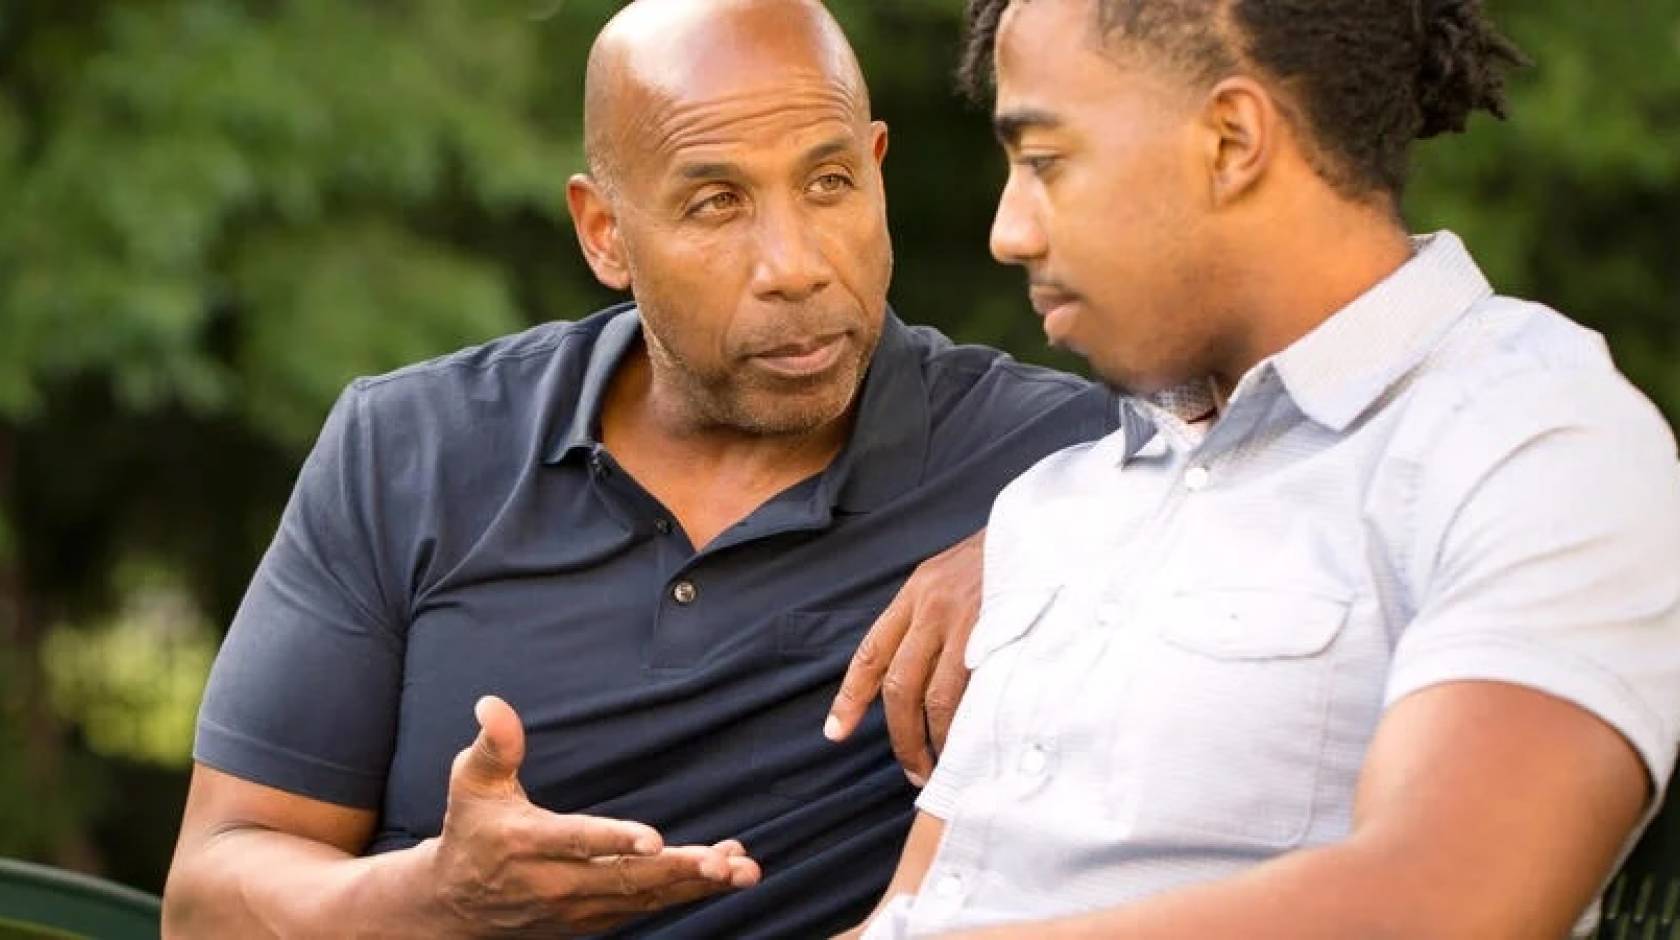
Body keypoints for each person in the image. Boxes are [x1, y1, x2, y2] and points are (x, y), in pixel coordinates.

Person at [160, 1, 1118, 936]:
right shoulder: (408, 448)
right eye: (717, 202)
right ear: (604, 233)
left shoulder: (1063, 463)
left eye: (827, 184)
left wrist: (1054, 528)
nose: (794, 264)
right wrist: (437, 902)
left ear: (876, 172)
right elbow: (205, 902)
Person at [854, 0, 1680, 937]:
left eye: (1046, 162)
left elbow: (1452, 901)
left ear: (1231, 140)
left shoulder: (1534, 438)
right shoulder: (1054, 507)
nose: (1011, 232)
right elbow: (918, 913)